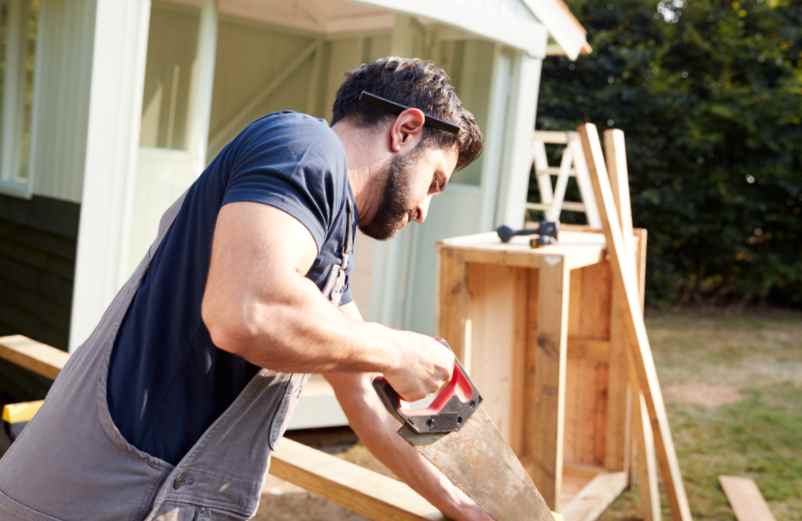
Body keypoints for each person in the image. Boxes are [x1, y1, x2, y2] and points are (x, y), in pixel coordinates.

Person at [0, 57, 491, 521]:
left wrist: (461, 505)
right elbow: (247, 312)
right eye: (435, 181)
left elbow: (361, 393)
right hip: (89, 499)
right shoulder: (304, 145)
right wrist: (401, 351)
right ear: (405, 130)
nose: (425, 209)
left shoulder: (324, 239)